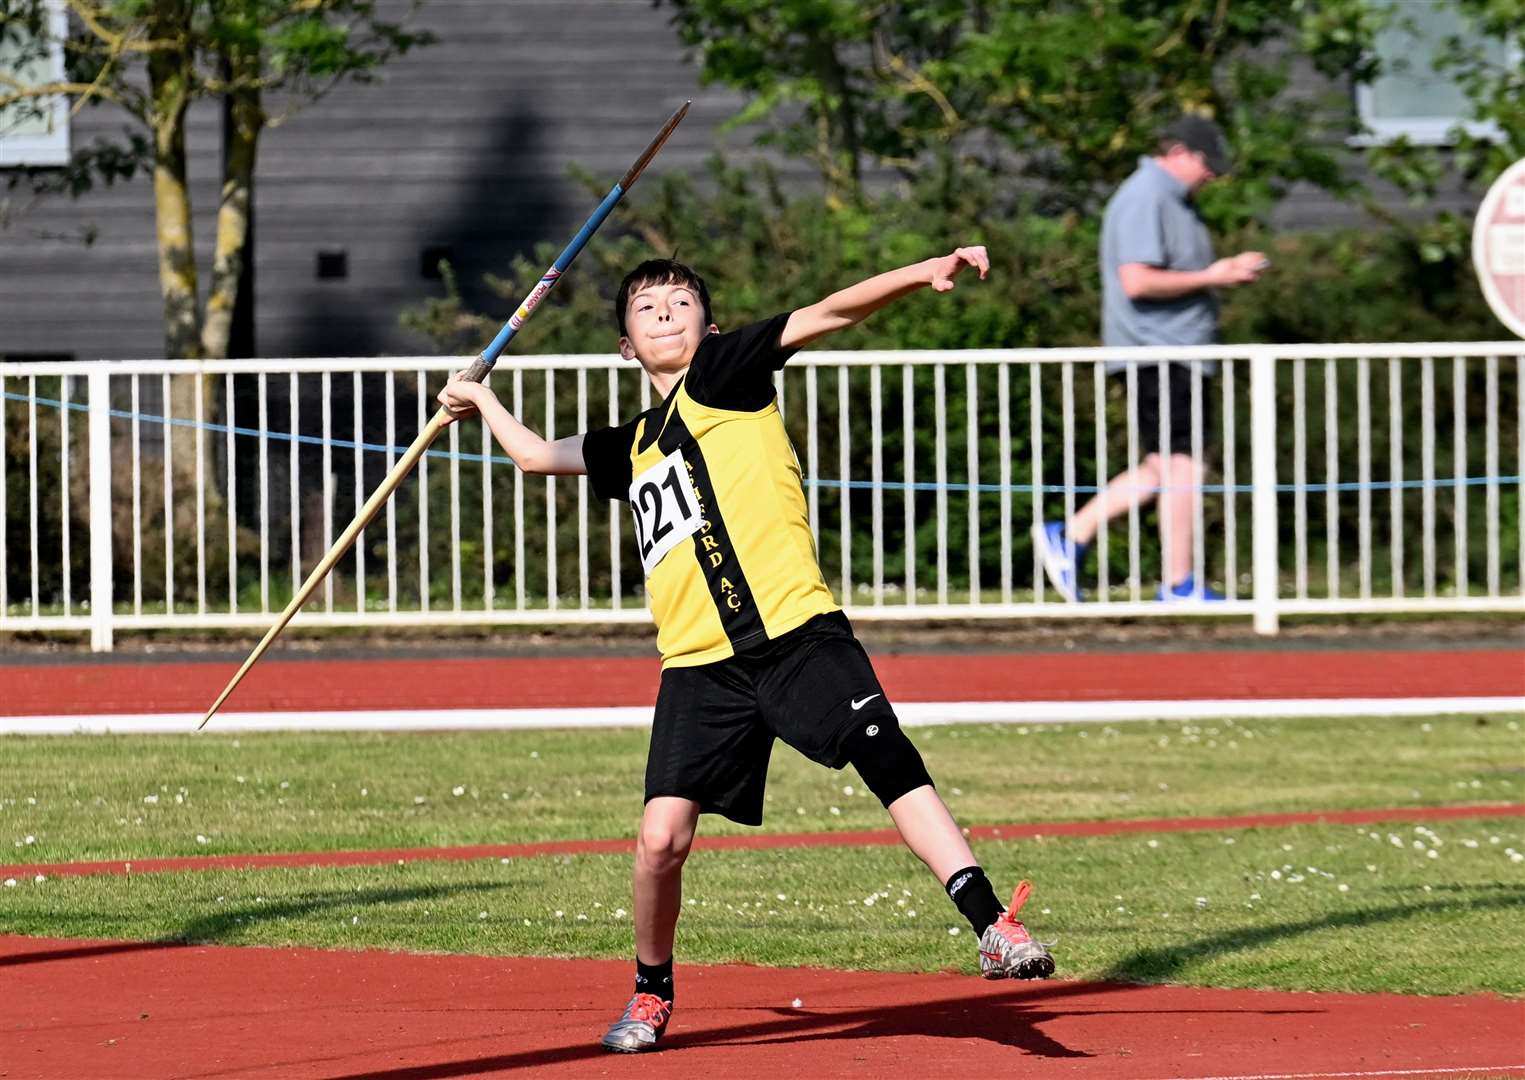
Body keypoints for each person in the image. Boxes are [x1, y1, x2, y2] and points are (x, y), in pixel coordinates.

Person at [437, 249, 1054, 1055]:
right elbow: (532, 455)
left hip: (797, 631)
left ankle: (991, 925)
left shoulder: (722, 375)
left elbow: (827, 312)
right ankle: (651, 991)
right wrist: (477, 396)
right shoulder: (629, 448)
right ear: (623, 344)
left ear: (711, 327)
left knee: (882, 749)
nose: (663, 310)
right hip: (699, 664)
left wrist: (917, 272)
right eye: (645, 306)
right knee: (661, 841)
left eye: (680, 300)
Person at [1034, 115, 1265, 603]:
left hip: (1174, 354)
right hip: (1159, 354)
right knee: (1181, 468)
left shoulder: (1171, 199)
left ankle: (1072, 533)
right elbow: (1136, 280)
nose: (1212, 176)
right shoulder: (1147, 195)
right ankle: (1177, 582)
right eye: (1208, 164)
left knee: (1168, 469)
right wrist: (1216, 276)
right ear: (1178, 152)